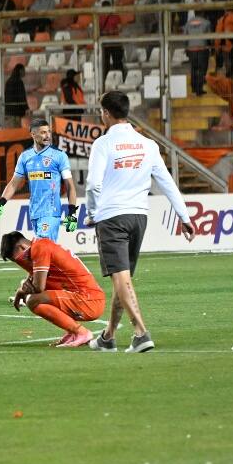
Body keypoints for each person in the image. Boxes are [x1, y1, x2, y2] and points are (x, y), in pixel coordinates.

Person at [84, 91, 195, 353]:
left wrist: (92, 212)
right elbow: (167, 182)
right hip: (139, 217)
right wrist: (184, 216)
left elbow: (92, 184)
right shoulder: (148, 144)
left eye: (101, 112)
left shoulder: (103, 144)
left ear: (107, 114)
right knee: (123, 279)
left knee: (121, 278)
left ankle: (141, 333)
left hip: (112, 217)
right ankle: (108, 337)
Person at [0, 232, 106, 348]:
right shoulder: (40, 247)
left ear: (22, 247)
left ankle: (82, 333)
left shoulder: (40, 248)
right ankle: (72, 332)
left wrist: (21, 291)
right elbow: (31, 282)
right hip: (86, 297)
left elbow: (38, 287)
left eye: (17, 259)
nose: (20, 262)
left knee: (32, 300)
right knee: (32, 296)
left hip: (89, 300)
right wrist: (23, 288)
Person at [0, 117, 78, 242]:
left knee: (42, 250)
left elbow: (70, 186)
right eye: (43, 132)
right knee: (46, 253)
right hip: (34, 212)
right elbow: (14, 183)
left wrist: (72, 212)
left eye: (49, 132)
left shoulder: (59, 155)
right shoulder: (25, 157)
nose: (47, 135)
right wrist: (1, 202)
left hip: (51, 211)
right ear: (33, 134)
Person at [183, 9, 212, 96]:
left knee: (194, 68)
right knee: (201, 69)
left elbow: (185, 37)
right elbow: (210, 37)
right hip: (202, 49)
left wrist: (186, 48)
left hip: (191, 49)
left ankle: (193, 88)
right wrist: (211, 48)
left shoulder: (188, 23)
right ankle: (199, 89)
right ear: (202, 12)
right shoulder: (207, 22)